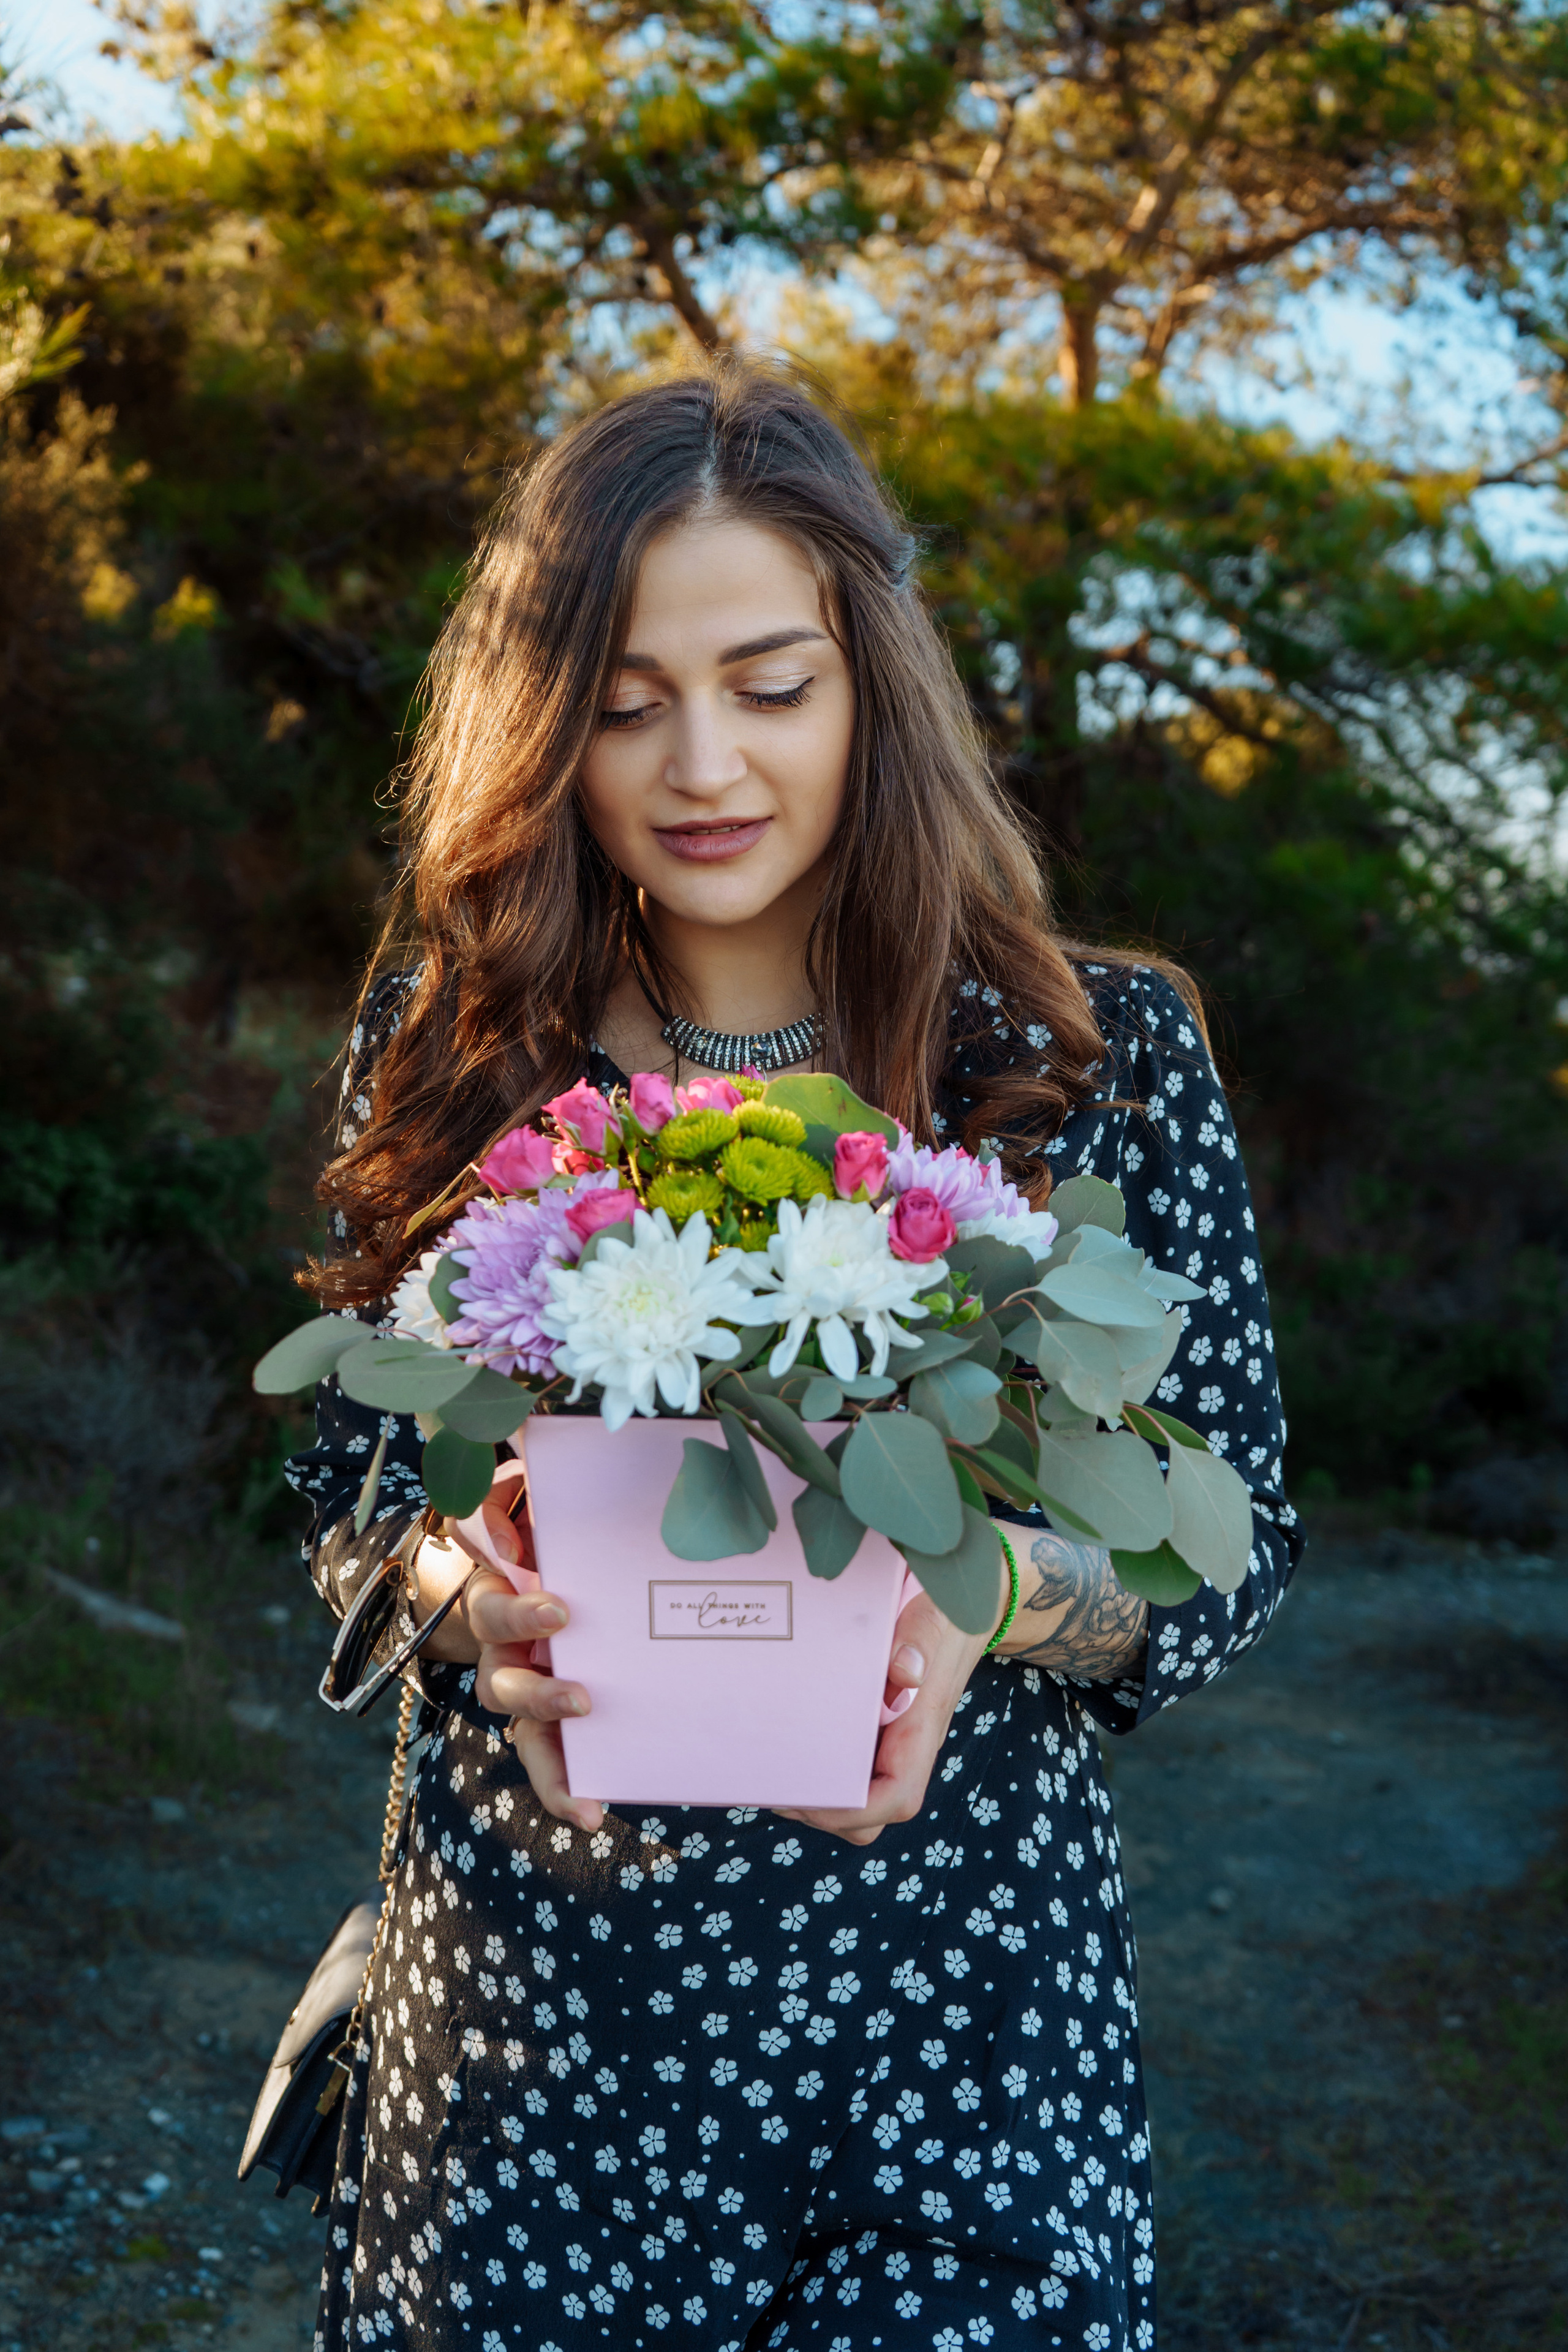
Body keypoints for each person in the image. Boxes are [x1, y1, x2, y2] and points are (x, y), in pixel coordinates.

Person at [285, 360, 1301, 2352]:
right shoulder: (458, 1041)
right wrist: (452, 1584)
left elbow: (1233, 1535)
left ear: (870, 683)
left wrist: (995, 1589)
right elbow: (342, 1500)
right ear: (547, 725)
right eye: (624, 702)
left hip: (960, 2037)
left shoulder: (1086, 1060)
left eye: (769, 684)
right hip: (528, 2044)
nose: (701, 766)